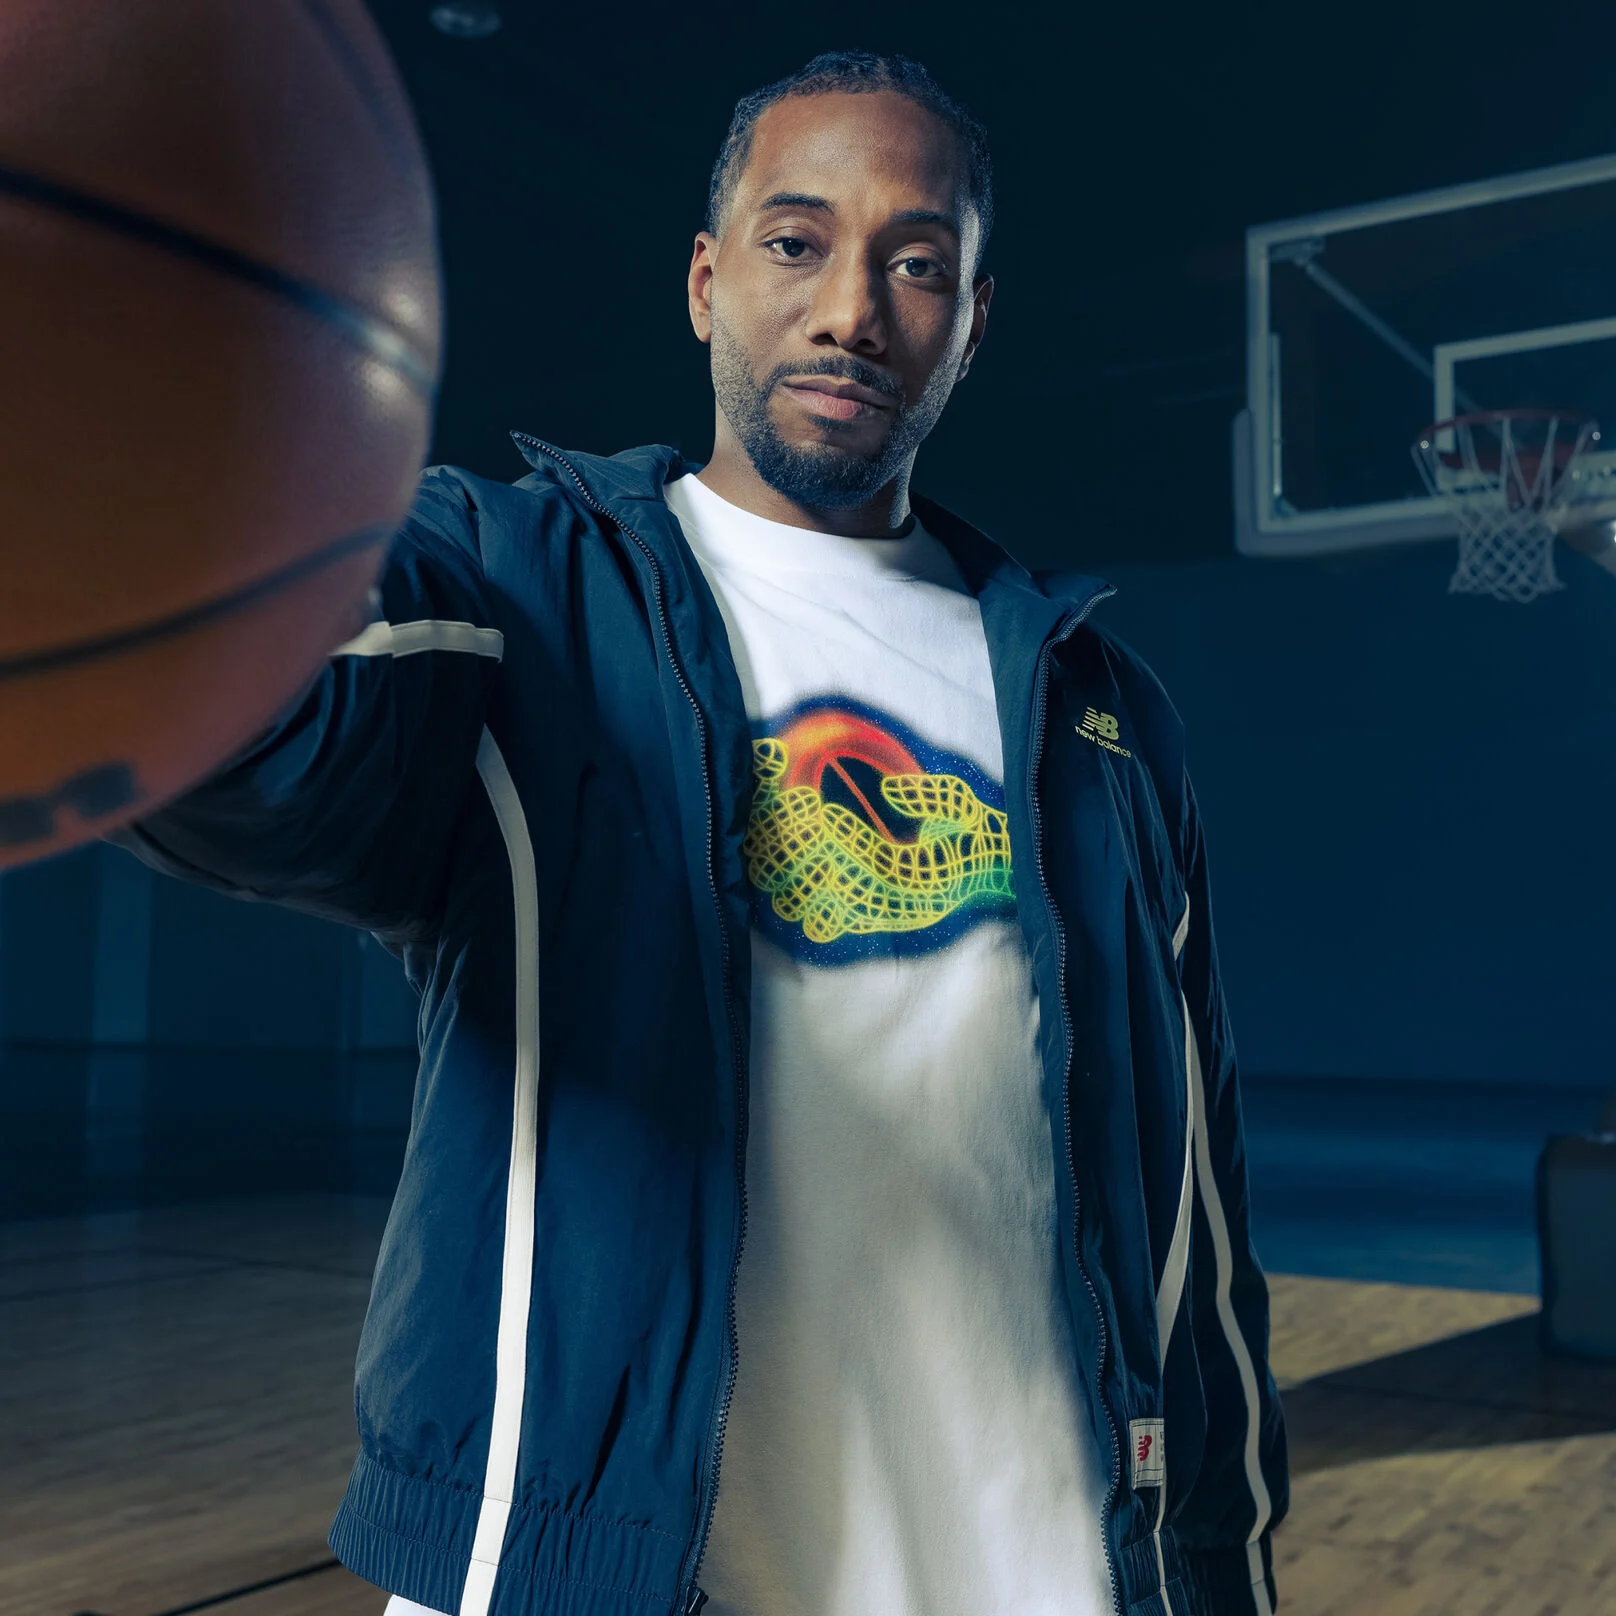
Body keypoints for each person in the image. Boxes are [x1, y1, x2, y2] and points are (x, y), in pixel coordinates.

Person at [108, 50, 1287, 1616]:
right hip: (586, 1569)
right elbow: (260, 735)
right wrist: (123, 506)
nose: (852, 308)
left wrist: (1215, 1561)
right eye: (797, 243)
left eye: (916, 261)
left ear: (974, 321)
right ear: (706, 280)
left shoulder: (1106, 713)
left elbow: (1197, 1222)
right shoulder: (518, 586)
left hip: (1033, 1568)